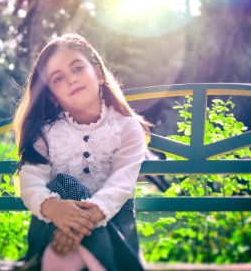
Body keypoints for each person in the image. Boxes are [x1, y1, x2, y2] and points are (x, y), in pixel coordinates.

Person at [13, 33, 151, 271]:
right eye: (57, 79)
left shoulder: (126, 128)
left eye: (77, 68)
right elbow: (31, 181)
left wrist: (81, 222)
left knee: (69, 188)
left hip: (114, 230)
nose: (70, 80)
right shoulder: (46, 133)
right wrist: (54, 209)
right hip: (52, 227)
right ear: (51, 95)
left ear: (98, 73)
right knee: (64, 186)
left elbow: (121, 185)